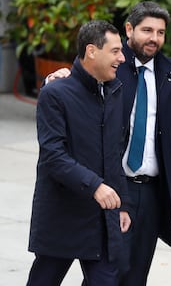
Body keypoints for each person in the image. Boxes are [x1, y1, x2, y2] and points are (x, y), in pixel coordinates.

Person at [46, 1, 171, 286]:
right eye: (147, 30)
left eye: (161, 32)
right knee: (108, 273)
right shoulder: (111, 63)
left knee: (137, 273)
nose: (154, 38)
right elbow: (78, 81)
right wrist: (56, 76)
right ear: (129, 29)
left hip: (152, 190)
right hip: (112, 185)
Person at [26, 20, 130, 286]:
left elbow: (115, 154)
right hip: (62, 214)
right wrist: (95, 186)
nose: (122, 57)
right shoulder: (55, 93)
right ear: (92, 51)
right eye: (115, 51)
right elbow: (53, 156)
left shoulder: (116, 92)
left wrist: (121, 204)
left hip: (102, 218)